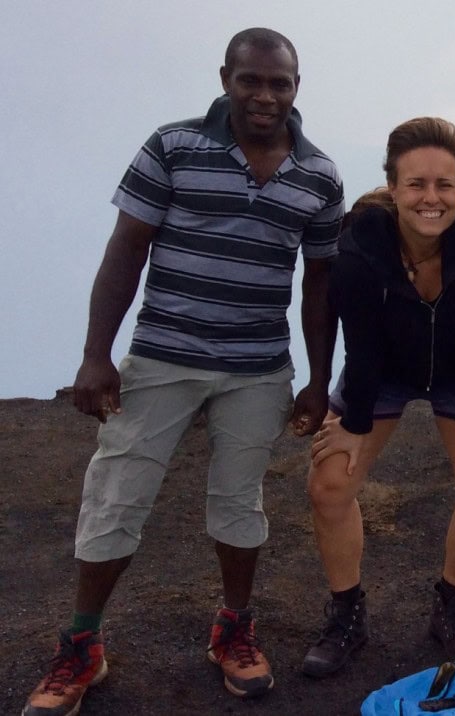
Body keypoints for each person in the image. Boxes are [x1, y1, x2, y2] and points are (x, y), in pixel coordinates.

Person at [22, 28, 343, 715]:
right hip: (164, 357)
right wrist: (94, 354)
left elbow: (321, 286)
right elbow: (126, 250)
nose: (264, 95)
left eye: (279, 83)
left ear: (296, 87)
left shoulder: (319, 176)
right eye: (251, 80)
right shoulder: (172, 146)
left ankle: (234, 631)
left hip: (258, 367)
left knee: (239, 502)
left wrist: (320, 379)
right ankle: (82, 645)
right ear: (227, 78)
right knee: (117, 496)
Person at [300, 117, 455, 678]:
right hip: (383, 370)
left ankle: (451, 606)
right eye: (416, 184)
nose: (431, 198)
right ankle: (346, 614)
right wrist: (355, 419)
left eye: (445, 185)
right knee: (329, 483)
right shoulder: (359, 248)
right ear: (392, 187)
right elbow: (361, 346)